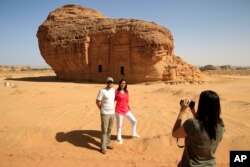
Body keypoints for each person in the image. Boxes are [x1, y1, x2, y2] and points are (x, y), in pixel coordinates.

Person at [172, 90, 225, 167]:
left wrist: (182, 111)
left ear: (202, 105)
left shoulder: (192, 124)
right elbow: (203, 125)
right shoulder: (220, 125)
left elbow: (175, 134)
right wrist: (193, 110)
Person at [115, 79, 140, 144]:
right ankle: (119, 137)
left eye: (124, 83)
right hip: (119, 110)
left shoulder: (126, 91)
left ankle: (133, 133)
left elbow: (126, 100)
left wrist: (128, 107)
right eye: (121, 83)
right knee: (119, 125)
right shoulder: (116, 91)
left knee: (134, 120)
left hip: (126, 109)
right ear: (119, 84)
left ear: (125, 84)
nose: (123, 84)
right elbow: (112, 99)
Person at [96, 77, 115, 154]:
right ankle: (103, 147)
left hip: (112, 112)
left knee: (109, 130)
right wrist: (101, 108)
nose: (110, 83)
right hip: (105, 113)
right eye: (108, 82)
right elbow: (97, 101)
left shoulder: (113, 90)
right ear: (106, 82)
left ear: (113, 83)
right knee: (104, 130)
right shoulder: (102, 91)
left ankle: (107, 143)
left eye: (111, 82)